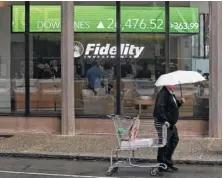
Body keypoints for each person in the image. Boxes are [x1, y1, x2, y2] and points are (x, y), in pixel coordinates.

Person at [153, 85, 185, 173]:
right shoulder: (163, 94)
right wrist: (164, 120)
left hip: (170, 123)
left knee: (174, 139)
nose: (175, 86)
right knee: (164, 143)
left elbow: (172, 107)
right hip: (164, 124)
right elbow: (160, 107)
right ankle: (162, 165)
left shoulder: (170, 94)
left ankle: (167, 161)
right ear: (167, 84)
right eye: (173, 84)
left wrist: (180, 102)